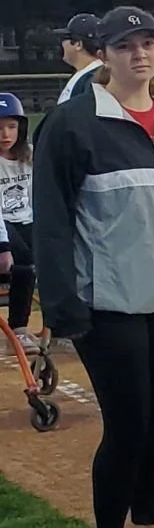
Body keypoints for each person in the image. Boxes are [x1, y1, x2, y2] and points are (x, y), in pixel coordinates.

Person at [33, 6, 154, 528]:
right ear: (103, 53)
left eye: (148, 42)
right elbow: (52, 221)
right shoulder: (73, 124)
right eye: (126, 44)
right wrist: (62, 306)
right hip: (108, 305)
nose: (140, 53)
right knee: (127, 426)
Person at [0, 92, 38, 354]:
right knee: (23, 261)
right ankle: (18, 328)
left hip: (25, 219)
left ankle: (61, 326)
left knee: (50, 256)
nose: (5, 134)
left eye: (12, 127)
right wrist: (3, 246)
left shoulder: (30, 156)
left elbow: (36, 196)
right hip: (2, 223)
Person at [55, 13, 104, 103]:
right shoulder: (86, 74)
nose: (62, 44)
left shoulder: (93, 79)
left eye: (64, 39)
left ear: (78, 44)